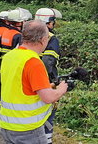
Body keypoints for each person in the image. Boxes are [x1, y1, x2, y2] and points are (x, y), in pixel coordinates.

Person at [0, 20, 68, 144]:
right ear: (42, 40)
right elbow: (47, 98)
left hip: (7, 126)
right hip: (28, 129)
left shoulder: (9, 56)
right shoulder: (33, 62)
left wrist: (50, 86)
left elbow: (20, 87)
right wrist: (61, 89)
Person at [35, 8, 62, 144]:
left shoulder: (27, 35)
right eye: (53, 21)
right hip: (45, 82)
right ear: (49, 23)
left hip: (27, 81)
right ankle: (46, 139)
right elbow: (48, 61)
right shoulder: (51, 39)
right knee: (48, 113)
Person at [0, 8, 31, 100]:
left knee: (2, 86)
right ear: (19, 23)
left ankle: (1, 103)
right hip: (12, 69)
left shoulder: (6, 32)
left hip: (1, 66)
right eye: (24, 21)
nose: (25, 23)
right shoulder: (18, 36)